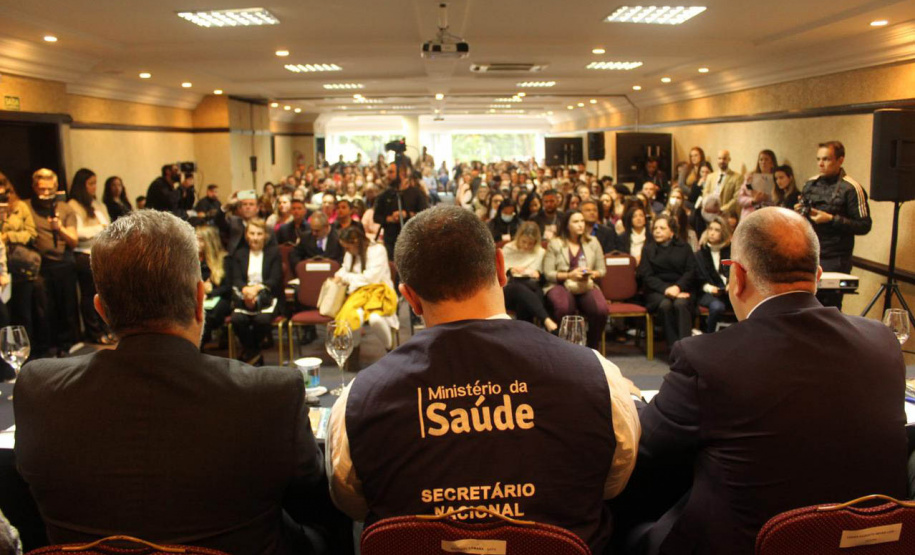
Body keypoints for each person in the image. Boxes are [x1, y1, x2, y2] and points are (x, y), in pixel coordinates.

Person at [326, 205, 639, 555]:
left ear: (410, 297)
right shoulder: (598, 376)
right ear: (501, 268)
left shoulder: (357, 398)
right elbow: (614, 483)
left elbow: (351, 503)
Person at [14, 210, 329, 555]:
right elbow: (312, 493)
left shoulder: (37, 389)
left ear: (101, 311)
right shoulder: (272, 393)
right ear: (199, 299)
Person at [628, 207, 906, 554]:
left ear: (738, 277)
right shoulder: (882, 341)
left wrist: (630, 401)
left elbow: (647, 448)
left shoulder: (708, 359)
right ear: (817, 276)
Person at [799, 141, 871, 309]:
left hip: (836, 257)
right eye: (818, 159)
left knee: (828, 308)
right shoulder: (810, 184)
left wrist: (831, 219)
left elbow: (864, 225)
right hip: (809, 253)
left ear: (840, 160)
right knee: (804, 304)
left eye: (826, 159)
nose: (821, 164)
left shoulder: (852, 188)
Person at [28, 168, 79, 356]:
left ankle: (67, 348)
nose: (46, 194)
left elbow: (73, 241)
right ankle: (47, 350)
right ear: (34, 187)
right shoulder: (27, 207)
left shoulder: (66, 209)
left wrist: (59, 229)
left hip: (64, 264)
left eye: (50, 190)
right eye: (42, 190)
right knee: (44, 312)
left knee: (67, 309)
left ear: (56, 187)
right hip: (41, 267)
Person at [543, 209, 608, 349]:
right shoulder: (555, 243)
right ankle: (564, 347)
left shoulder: (593, 242)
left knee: (600, 310)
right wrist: (569, 275)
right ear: (567, 225)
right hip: (560, 284)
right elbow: (548, 273)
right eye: (576, 221)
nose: (580, 225)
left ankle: (592, 347)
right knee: (564, 307)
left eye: (582, 221)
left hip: (585, 283)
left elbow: (602, 270)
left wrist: (590, 273)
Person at [67, 168, 114, 345]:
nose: (95, 187)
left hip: (100, 252)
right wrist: (99, 229)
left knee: (103, 294)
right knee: (89, 295)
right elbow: (77, 233)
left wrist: (103, 228)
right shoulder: (73, 205)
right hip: (83, 254)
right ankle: (93, 331)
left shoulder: (96, 204)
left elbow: (108, 224)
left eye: (95, 183)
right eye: (91, 183)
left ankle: (106, 328)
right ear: (82, 185)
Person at [332, 226, 398, 350]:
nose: (346, 250)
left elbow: (370, 279)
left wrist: (345, 277)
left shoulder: (378, 250)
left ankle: (390, 349)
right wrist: (339, 275)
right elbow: (344, 270)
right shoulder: (349, 254)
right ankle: (353, 353)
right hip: (358, 296)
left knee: (375, 319)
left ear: (356, 243)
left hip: (380, 294)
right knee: (352, 316)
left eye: (347, 247)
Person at [638, 214, 696, 349]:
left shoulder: (684, 247)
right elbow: (646, 275)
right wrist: (666, 289)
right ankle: (674, 347)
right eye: (655, 228)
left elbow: (691, 271)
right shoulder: (648, 249)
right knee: (665, 305)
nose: (657, 231)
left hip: (682, 289)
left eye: (662, 228)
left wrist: (678, 287)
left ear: (672, 231)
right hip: (657, 291)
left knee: (681, 304)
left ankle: (686, 348)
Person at [230, 218, 282, 364]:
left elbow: (274, 279)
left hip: (268, 296)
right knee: (237, 319)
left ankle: (250, 353)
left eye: (259, 234)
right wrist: (246, 290)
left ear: (265, 235)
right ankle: (255, 352)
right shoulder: (239, 253)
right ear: (246, 235)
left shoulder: (273, 253)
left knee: (262, 320)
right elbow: (236, 279)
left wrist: (256, 289)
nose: (255, 237)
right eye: (252, 233)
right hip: (244, 296)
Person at [0, 171, 38, 345]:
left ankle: (25, 353)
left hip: (18, 264)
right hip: (2, 266)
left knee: (22, 312)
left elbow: (31, 234)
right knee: (4, 316)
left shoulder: (19, 206)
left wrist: (9, 236)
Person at [501, 221, 558, 332]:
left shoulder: (540, 252)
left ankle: (526, 336)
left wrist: (537, 274)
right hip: (510, 288)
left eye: (531, 243)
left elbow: (543, 276)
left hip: (529, 286)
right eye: (524, 242)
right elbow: (500, 273)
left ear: (536, 243)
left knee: (533, 294)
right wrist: (511, 270)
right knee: (518, 288)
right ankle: (546, 321)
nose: (526, 246)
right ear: (518, 238)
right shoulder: (508, 248)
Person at [373, 159, 429, 260]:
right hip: (391, 241)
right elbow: (376, 217)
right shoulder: (385, 195)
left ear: (402, 174)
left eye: (391, 172)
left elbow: (425, 215)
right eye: (387, 172)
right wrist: (389, 218)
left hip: (412, 239)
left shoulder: (416, 193)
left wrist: (407, 214)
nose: (387, 175)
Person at [694, 216, 732, 333]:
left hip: (728, 292)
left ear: (723, 233)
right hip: (706, 292)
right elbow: (697, 280)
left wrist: (731, 284)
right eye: (710, 229)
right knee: (717, 307)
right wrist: (711, 289)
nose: (712, 233)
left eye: (717, 230)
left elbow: (734, 273)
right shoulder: (700, 254)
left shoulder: (730, 252)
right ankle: (709, 337)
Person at [197, 225, 232, 348]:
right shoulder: (193, 260)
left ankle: (199, 350)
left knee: (207, 316)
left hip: (219, 298)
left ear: (209, 241)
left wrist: (211, 291)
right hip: (198, 298)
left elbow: (228, 287)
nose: (196, 243)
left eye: (200, 240)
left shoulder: (224, 259)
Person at [736, 149, 777, 219]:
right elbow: (740, 199)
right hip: (749, 215)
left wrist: (768, 198)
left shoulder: (776, 179)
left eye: (766, 159)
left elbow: (779, 200)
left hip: (768, 216)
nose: (763, 162)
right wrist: (753, 200)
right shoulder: (750, 178)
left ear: (772, 163)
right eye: (761, 160)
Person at [704, 150, 743, 214]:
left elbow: (736, 198)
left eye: (724, 158)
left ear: (729, 159)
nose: (722, 161)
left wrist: (721, 210)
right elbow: (705, 193)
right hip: (710, 212)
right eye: (719, 158)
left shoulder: (737, 177)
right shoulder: (710, 176)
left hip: (727, 213)